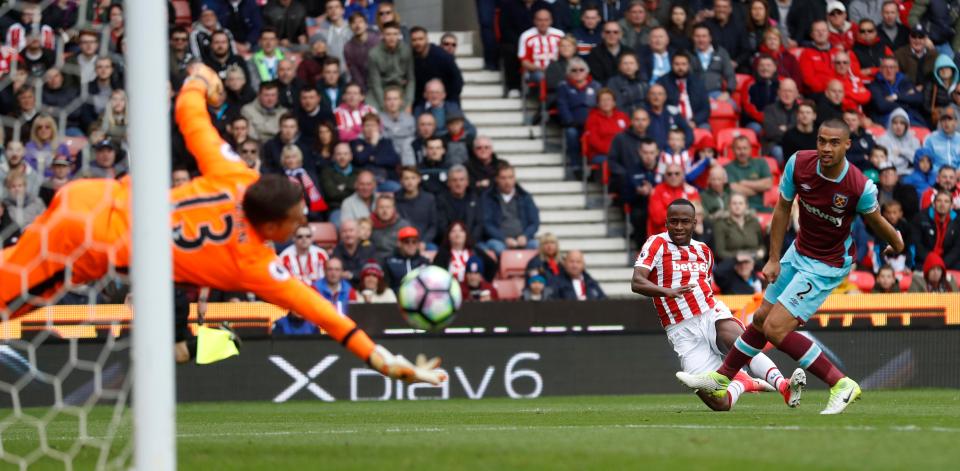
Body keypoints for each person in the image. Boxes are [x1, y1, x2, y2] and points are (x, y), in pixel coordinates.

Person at [0, 64, 445, 383]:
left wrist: (200, 80)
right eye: (294, 222)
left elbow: (191, 117)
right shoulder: (249, 263)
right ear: (271, 228)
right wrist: (384, 361)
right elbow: (323, 313)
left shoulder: (237, 175)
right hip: (82, 243)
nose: (299, 225)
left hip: (94, 196)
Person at [677, 119, 906, 415]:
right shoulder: (799, 163)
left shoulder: (858, 186)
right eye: (822, 141)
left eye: (834, 142)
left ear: (847, 145)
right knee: (761, 319)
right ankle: (721, 378)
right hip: (797, 252)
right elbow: (782, 207)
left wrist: (897, 246)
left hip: (827, 264)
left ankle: (841, 383)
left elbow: (878, 222)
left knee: (775, 327)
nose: (825, 148)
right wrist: (773, 258)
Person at [480, 162, 540, 256]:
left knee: (537, 245)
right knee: (497, 248)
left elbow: (534, 222)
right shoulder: (488, 198)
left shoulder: (525, 197)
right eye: (503, 178)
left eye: (510, 177)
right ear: (496, 179)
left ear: (514, 178)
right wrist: (504, 238)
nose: (507, 182)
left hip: (523, 240)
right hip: (499, 240)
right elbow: (487, 224)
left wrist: (525, 236)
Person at [556, 57, 601, 174]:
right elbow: (562, 105)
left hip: (592, 123)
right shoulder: (563, 86)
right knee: (571, 133)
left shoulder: (596, 86)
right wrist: (570, 121)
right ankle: (576, 165)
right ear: (568, 73)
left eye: (581, 70)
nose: (578, 73)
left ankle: (593, 167)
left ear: (587, 72)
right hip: (573, 123)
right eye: (574, 70)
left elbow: (601, 105)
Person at [366, 21, 415, 112]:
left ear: (399, 35)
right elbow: (375, 83)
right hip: (381, 88)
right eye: (388, 34)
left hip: (400, 89)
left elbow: (411, 79)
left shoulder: (406, 51)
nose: (392, 38)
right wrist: (383, 105)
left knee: (405, 110)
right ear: (382, 35)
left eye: (395, 34)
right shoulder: (374, 54)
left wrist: (409, 102)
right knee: (371, 109)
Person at [409, 26, 463, 109]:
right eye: (414, 40)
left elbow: (458, 81)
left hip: (447, 101)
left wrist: (446, 101)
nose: (418, 42)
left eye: (420, 39)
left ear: (427, 39)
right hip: (422, 103)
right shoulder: (410, 58)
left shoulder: (443, 56)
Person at [868, 57, 926, 127]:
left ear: (897, 69)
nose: (889, 71)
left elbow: (919, 99)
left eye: (892, 67)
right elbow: (882, 106)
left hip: (911, 119)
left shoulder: (905, 81)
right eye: (885, 67)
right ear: (880, 69)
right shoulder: (875, 85)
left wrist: (896, 96)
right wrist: (907, 103)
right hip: (888, 121)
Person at [433, 221, 498, 283]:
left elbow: (492, 266)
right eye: (453, 231)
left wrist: (483, 283)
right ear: (448, 236)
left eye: (461, 231)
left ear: (466, 234)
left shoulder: (475, 251)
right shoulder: (442, 254)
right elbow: (436, 274)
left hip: (471, 291)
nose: (457, 234)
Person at [658, 51, 709, 130]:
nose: (680, 68)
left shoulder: (698, 82)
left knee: (705, 129)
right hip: (671, 121)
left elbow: (705, 109)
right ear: (671, 65)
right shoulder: (663, 82)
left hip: (694, 122)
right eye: (677, 64)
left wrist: (694, 122)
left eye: (683, 64)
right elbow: (659, 106)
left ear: (688, 65)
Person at [911, 191, 960, 269]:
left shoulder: (957, 221)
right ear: (933, 204)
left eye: (946, 201)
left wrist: (942, 264)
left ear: (951, 205)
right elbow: (917, 244)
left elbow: (957, 248)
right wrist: (932, 262)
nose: (942, 204)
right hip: (924, 261)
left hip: (949, 263)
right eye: (939, 200)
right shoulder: (920, 218)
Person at [350, 113, 400, 187]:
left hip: (385, 179)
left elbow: (394, 160)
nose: (370, 128)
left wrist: (373, 159)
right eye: (367, 125)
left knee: (395, 187)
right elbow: (359, 159)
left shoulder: (386, 142)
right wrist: (372, 145)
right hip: (364, 182)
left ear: (378, 127)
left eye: (373, 125)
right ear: (362, 128)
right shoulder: (356, 142)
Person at [724, 137, 772, 213]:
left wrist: (744, 183)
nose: (742, 152)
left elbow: (768, 184)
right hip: (738, 210)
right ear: (733, 150)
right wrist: (758, 189)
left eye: (745, 148)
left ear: (750, 149)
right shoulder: (727, 168)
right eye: (738, 148)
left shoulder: (761, 163)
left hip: (760, 207)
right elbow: (735, 189)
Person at [280, 144, 328, 221]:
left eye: (294, 157)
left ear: (299, 158)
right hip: (290, 216)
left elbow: (319, 195)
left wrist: (310, 213)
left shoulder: (310, 175)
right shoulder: (280, 178)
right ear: (284, 160)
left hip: (313, 215)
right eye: (288, 157)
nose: (291, 160)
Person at [713, 193, 766, 263]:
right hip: (732, 262)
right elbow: (719, 252)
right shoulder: (720, 224)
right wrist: (738, 257)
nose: (737, 206)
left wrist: (762, 251)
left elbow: (761, 244)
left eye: (741, 203)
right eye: (734, 203)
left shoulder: (754, 222)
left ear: (746, 206)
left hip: (754, 261)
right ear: (729, 206)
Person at [583, 88, 629, 167]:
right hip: (600, 154)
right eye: (602, 100)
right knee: (617, 163)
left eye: (608, 99)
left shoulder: (622, 116)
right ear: (598, 104)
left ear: (614, 103)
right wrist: (614, 152)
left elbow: (629, 135)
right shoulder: (592, 118)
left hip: (622, 152)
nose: (606, 102)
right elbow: (594, 141)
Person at [518, 8, 565, 85]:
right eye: (540, 20)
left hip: (558, 70)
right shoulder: (526, 36)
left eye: (546, 20)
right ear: (535, 21)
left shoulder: (559, 35)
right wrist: (541, 69)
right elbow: (524, 62)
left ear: (551, 21)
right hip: (535, 72)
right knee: (543, 76)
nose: (543, 23)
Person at [395, 167, 438, 249]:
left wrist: (424, 242)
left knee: (432, 249)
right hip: (402, 241)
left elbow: (433, 226)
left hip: (423, 241)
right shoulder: (395, 199)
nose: (410, 182)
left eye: (413, 178)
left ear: (419, 179)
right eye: (406, 178)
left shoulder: (429, 199)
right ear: (401, 181)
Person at [691, 24, 736, 101]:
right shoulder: (688, 54)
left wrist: (727, 92)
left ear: (710, 38)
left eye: (704, 36)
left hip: (717, 94)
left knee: (733, 108)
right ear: (693, 38)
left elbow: (730, 75)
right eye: (697, 36)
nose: (701, 40)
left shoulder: (721, 52)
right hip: (695, 95)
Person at [383, 226, 430, 292]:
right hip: (396, 300)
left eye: (414, 242)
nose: (411, 245)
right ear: (399, 243)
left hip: (419, 299)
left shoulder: (424, 262)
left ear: (418, 244)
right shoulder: (389, 262)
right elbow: (385, 288)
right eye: (406, 241)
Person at [331, 219, 377, 287]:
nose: (348, 234)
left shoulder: (368, 249)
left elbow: (371, 271)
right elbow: (334, 273)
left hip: (364, 288)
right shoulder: (336, 251)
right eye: (344, 231)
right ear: (340, 234)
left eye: (351, 231)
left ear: (358, 233)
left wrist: (351, 275)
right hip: (342, 288)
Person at [876, 108, 922, 176]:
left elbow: (918, 160)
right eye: (895, 123)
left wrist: (901, 151)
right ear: (890, 124)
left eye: (902, 123)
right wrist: (906, 160)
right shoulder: (882, 139)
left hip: (912, 174)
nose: (898, 126)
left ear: (906, 125)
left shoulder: (914, 140)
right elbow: (885, 161)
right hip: (890, 174)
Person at [343, 12, 379, 92]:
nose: (357, 25)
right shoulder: (348, 47)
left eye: (360, 21)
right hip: (365, 87)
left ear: (366, 24)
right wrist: (364, 90)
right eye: (353, 23)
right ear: (350, 26)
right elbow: (355, 72)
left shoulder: (377, 40)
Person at [380, 87, 416, 166]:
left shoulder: (410, 119)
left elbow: (412, 138)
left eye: (395, 99)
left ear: (401, 101)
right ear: (384, 102)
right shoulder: (378, 119)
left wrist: (391, 133)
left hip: (406, 154)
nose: (392, 102)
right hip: (386, 156)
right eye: (389, 99)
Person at [320, 142, 357, 212]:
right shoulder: (326, 173)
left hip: (356, 208)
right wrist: (351, 188)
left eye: (345, 154)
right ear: (334, 157)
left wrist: (343, 188)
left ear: (351, 156)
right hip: (337, 209)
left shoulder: (359, 173)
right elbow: (332, 194)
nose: (342, 157)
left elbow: (361, 193)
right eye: (339, 154)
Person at [923, 107, 960, 172]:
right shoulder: (930, 138)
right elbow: (926, 160)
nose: (946, 123)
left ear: (956, 122)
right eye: (943, 120)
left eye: (949, 119)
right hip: (937, 175)